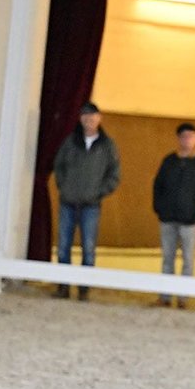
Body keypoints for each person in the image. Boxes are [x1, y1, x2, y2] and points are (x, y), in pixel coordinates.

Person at [51, 101, 121, 300]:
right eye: (85, 116)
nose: (89, 120)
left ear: (99, 119)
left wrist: (98, 192)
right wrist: (64, 187)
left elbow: (114, 174)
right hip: (68, 202)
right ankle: (63, 287)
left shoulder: (107, 146)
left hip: (91, 205)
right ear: (81, 119)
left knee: (88, 248)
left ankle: (84, 289)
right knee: (63, 246)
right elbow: (59, 166)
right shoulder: (70, 142)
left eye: (92, 116)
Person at [152, 122, 195, 309]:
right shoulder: (169, 161)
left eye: (190, 136)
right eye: (183, 136)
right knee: (167, 258)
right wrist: (160, 209)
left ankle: (183, 298)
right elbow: (158, 186)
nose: (187, 140)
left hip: (190, 222)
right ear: (178, 139)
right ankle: (164, 296)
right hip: (167, 219)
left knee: (188, 260)